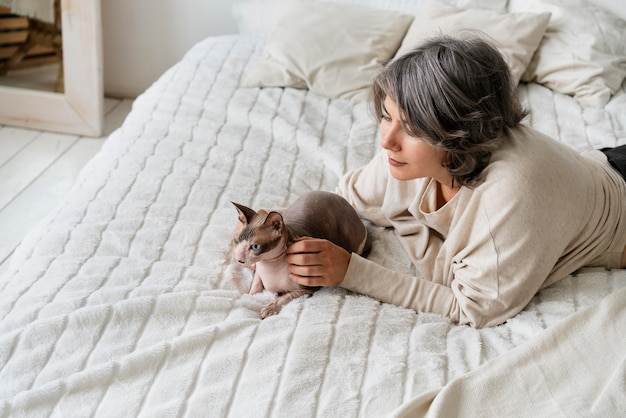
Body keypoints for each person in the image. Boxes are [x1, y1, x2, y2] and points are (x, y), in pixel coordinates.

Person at [285, 33, 626, 328]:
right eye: (386, 117)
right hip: (600, 163)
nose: (387, 141)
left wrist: (351, 272)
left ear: (458, 134)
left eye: (412, 128)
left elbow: (476, 309)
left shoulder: (511, 192)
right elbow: (347, 196)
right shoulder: (405, 160)